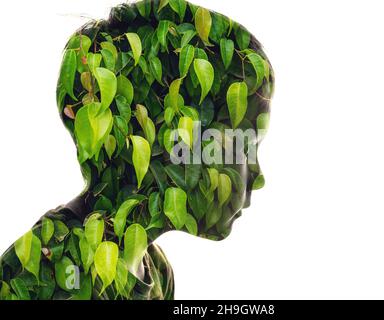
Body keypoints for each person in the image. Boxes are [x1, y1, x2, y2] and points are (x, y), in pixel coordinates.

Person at [0, 0, 274, 300]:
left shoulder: (156, 270)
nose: (257, 175)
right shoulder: (41, 268)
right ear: (170, 146)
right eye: (243, 147)